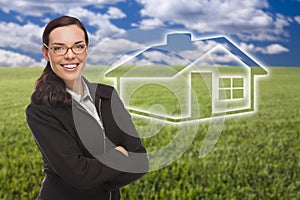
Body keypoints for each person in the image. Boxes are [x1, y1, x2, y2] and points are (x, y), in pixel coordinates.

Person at [26, 15, 148, 200]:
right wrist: (119, 155)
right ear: (46, 53)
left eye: (78, 46)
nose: (70, 55)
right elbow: (79, 176)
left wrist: (94, 177)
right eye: (59, 48)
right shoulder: (41, 110)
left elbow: (140, 161)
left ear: (86, 50)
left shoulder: (108, 96)